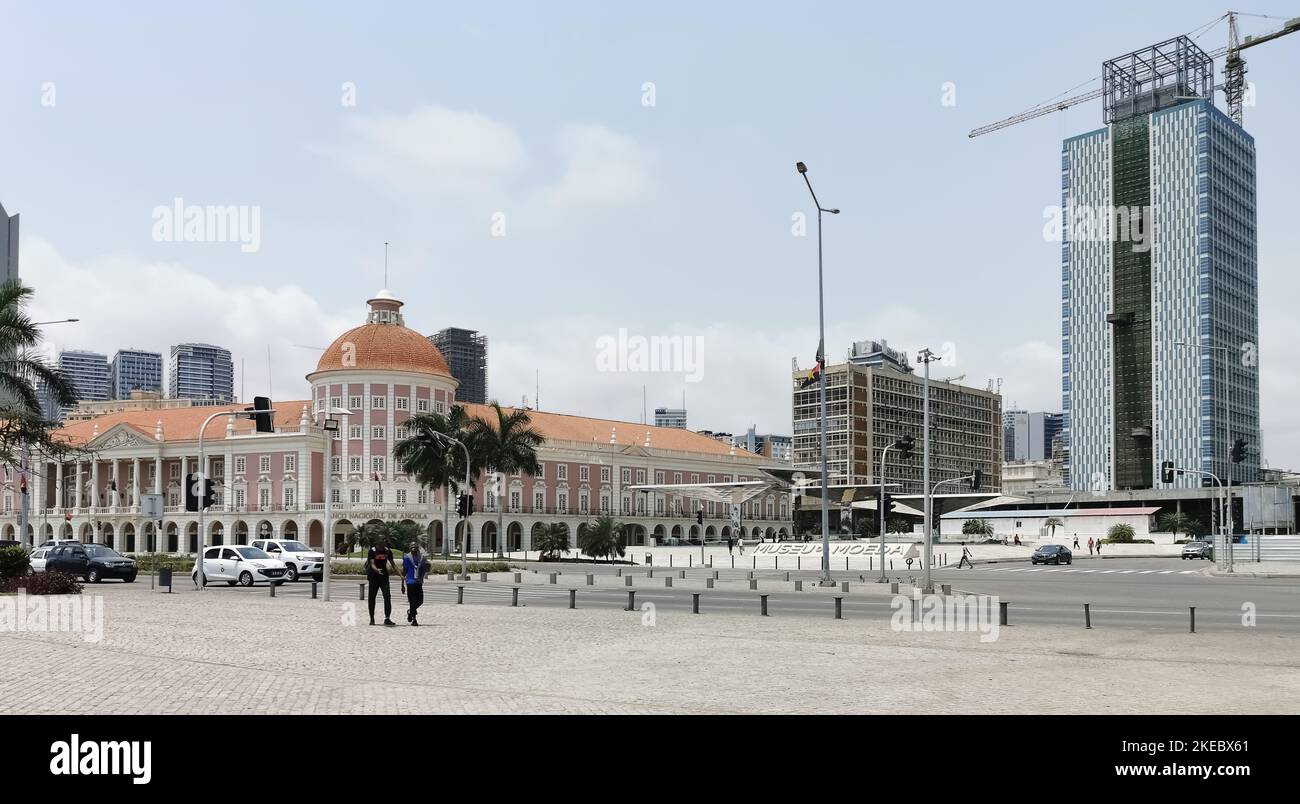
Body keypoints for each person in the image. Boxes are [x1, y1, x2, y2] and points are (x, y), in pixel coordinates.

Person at [366, 539, 399, 626]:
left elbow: (393, 564)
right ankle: (372, 619)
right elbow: (372, 564)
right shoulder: (372, 551)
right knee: (372, 597)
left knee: (387, 596)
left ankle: (387, 618)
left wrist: (401, 574)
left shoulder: (388, 551)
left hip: (384, 576)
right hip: (373, 576)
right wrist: (377, 570)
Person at [402, 544, 431, 626]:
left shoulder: (421, 557)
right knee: (412, 601)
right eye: (412, 548)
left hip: (418, 582)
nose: (414, 549)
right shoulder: (406, 558)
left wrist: (426, 567)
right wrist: (402, 584)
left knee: (420, 600)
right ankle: (414, 619)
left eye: (415, 548)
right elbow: (404, 571)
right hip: (410, 582)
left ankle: (410, 611)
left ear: (417, 549)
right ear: (410, 548)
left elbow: (427, 566)